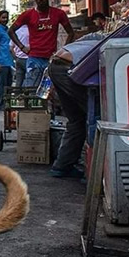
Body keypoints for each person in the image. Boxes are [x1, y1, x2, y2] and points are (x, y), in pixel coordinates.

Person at [48, 33, 105, 179]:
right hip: (70, 66)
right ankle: (95, 171)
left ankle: (62, 166)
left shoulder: (95, 38)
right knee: (95, 116)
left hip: (57, 64)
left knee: (77, 120)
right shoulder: (113, 40)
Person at [9, 0, 75, 88]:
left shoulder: (59, 14)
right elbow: (11, 31)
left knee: (49, 92)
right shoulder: (28, 15)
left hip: (51, 60)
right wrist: (22, 47)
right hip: (34, 59)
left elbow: (71, 33)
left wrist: (62, 52)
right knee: (31, 91)